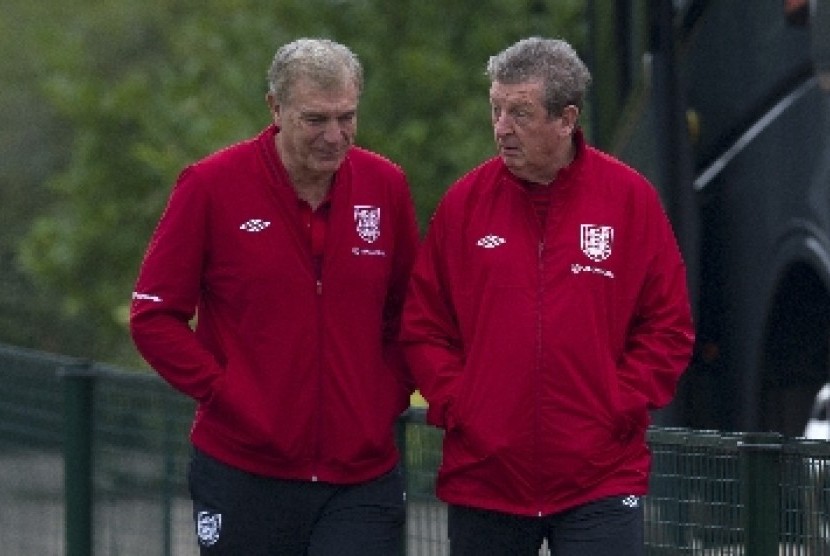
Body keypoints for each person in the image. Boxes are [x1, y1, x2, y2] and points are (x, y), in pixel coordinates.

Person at [401, 37, 695, 556]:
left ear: (566, 119)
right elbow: (425, 327)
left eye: (519, 112)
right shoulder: (463, 205)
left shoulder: (629, 200)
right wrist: (462, 404)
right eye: (496, 109)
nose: (501, 127)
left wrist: (617, 403)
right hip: (486, 478)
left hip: (600, 478)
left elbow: (668, 327)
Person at [130, 38, 420, 555]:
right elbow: (155, 316)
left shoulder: (385, 186)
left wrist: (384, 396)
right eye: (315, 119)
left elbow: (412, 313)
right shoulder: (211, 186)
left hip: (360, 474)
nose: (335, 136)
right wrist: (228, 394)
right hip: (243, 470)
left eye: (347, 116)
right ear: (275, 108)